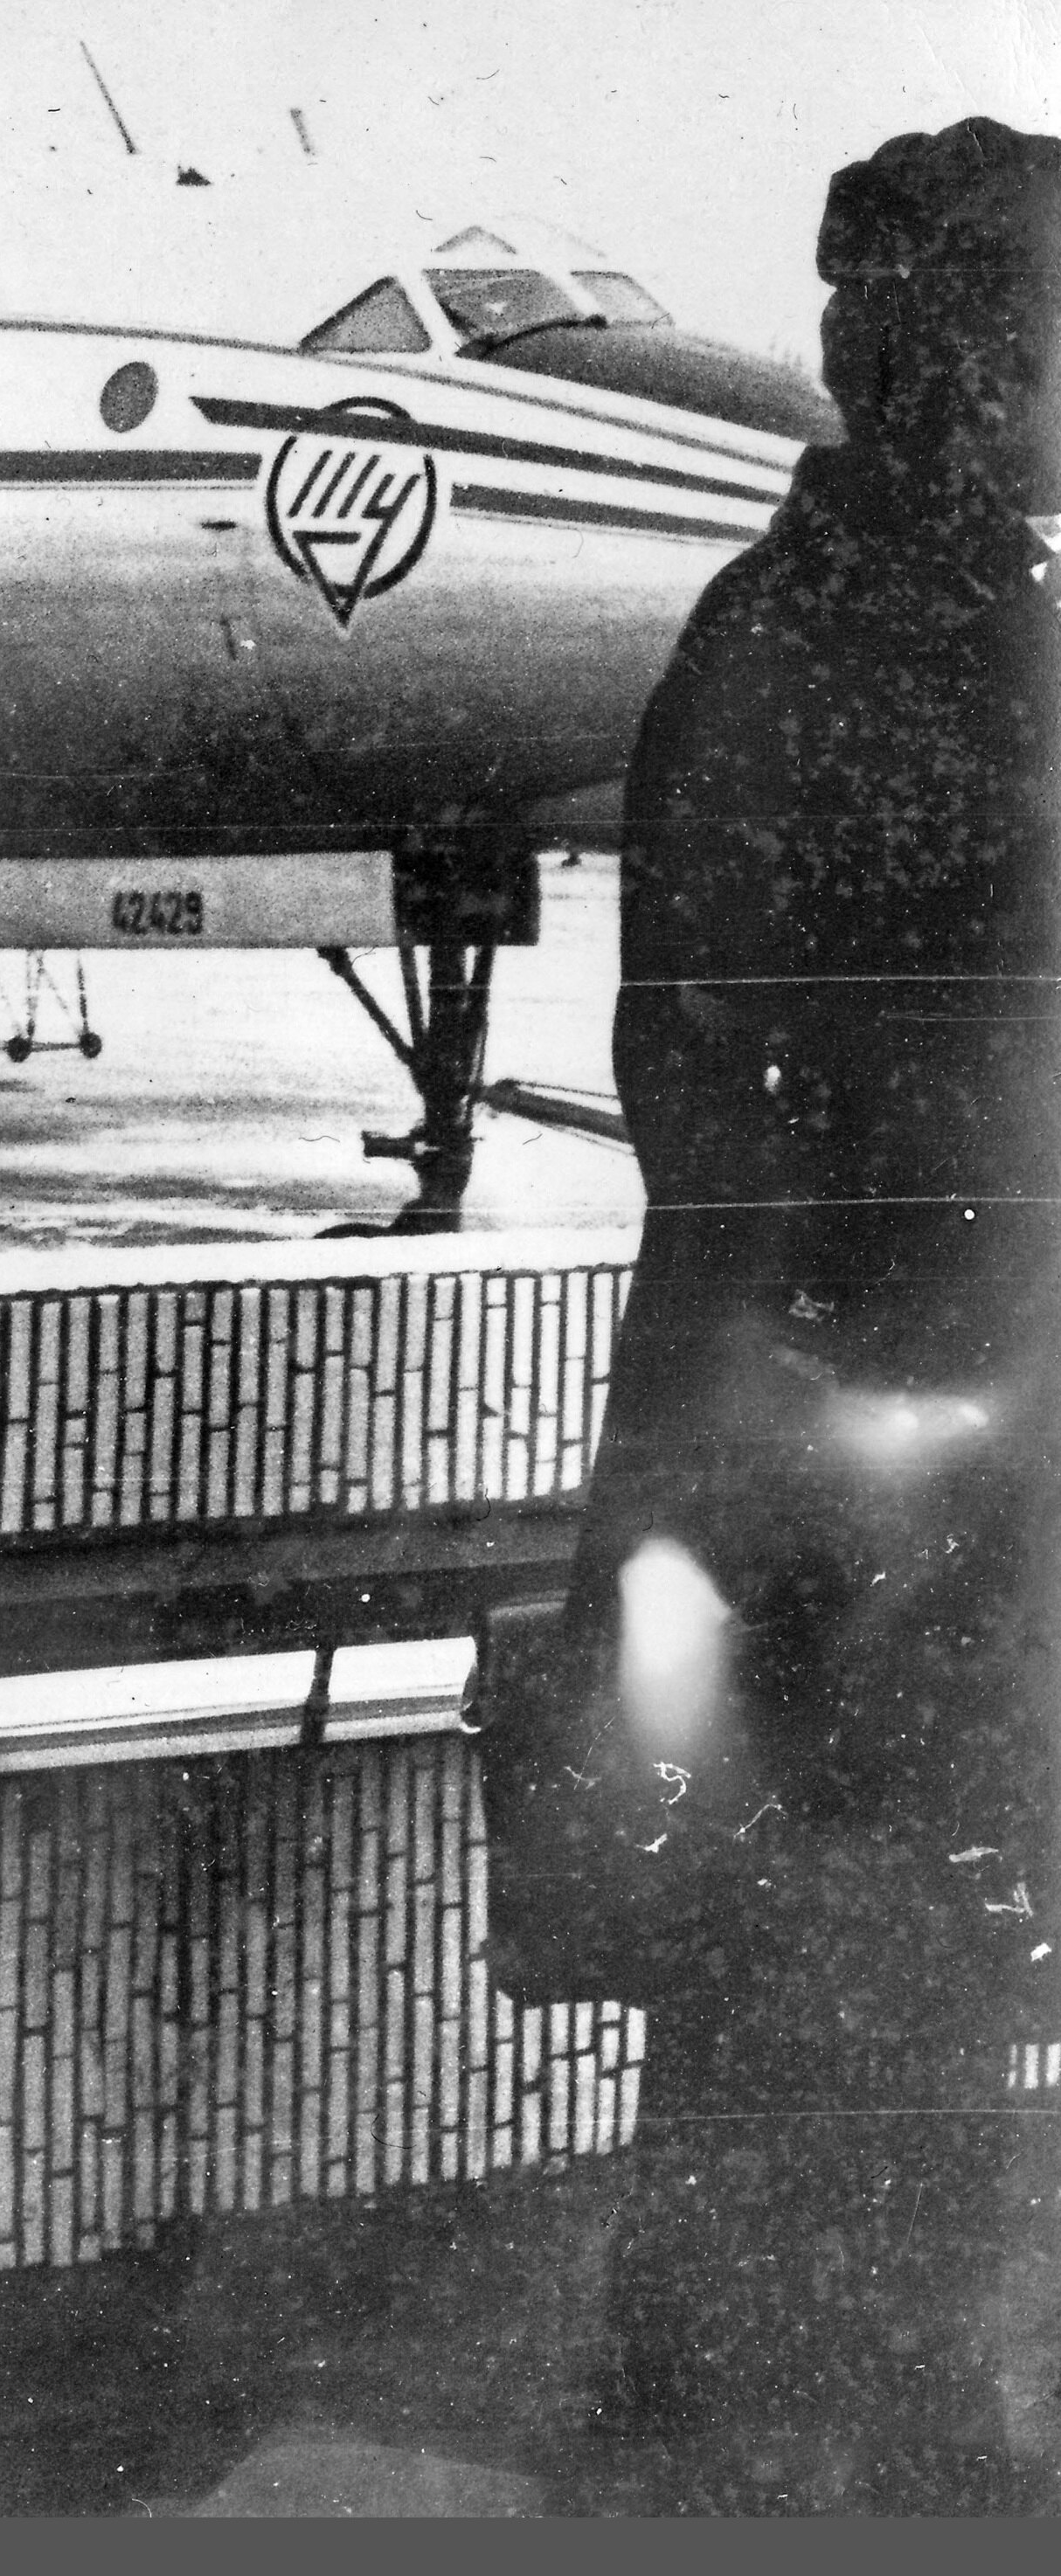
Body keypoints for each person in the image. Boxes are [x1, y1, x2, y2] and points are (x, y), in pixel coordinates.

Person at [482, 121, 1061, 2510]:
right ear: (957, 365)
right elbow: (716, 1081)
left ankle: (860, 2433)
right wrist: (885, 1412)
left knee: (910, 1993)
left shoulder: (981, 630)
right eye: (1052, 350)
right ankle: (757, 2454)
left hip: (950, 1461)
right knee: (798, 1991)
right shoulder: (807, 644)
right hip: (839, 1479)